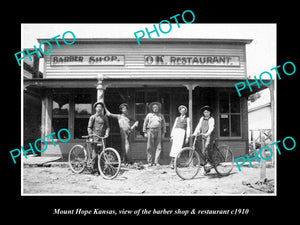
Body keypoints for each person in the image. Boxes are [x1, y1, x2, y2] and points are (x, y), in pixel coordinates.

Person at [87, 101, 110, 173]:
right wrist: (91, 136)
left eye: (100, 107)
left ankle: (101, 170)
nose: (99, 109)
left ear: (102, 109)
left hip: (102, 138)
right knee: (94, 154)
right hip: (94, 138)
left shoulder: (105, 117)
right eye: (98, 107)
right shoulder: (92, 117)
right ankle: (94, 169)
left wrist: (107, 133)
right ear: (95, 109)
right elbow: (89, 127)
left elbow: (108, 127)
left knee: (102, 154)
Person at [143, 102, 166, 167]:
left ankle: (156, 162)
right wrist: (144, 132)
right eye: (154, 107)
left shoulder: (160, 115)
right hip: (150, 131)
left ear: (158, 108)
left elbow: (164, 124)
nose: (155, 109)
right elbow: (145, 123)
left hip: (159, 131)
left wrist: (163, 133)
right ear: (152, 108)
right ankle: (150, 162)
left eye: (156, 107)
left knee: (158, 146)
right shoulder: (149, 115)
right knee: (149, 147)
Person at [192, 105, 215, 172]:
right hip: (203, 135)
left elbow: (211, 127)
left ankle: (209, 163)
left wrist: (207, 134)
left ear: (210, 112)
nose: (206, 113)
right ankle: (206, 166)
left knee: (207, 148)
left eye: (207, 112)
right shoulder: (201, 119)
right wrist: (195, 132)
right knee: (203, 151)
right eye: (205, 112)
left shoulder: (211, 119)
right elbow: (198, 126)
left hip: (209, 135)